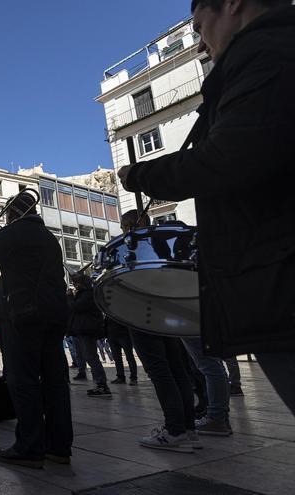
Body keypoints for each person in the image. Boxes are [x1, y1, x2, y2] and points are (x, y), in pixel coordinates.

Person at [118, 0, 295, 416]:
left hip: (279, 274)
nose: (200, 44)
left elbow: (226, 159)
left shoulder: (267, 52)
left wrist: (140, 175)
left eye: (199, 27)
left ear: (233, 4)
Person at [0, 193, 73, 469]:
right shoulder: (48, 237)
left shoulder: (13, 231)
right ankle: (59, 447)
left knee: (24, 380)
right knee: (56, 382)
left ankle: (30, 446)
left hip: (22, 314)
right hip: (55, 315)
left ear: (10, 213)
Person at [118, 210, 199, 452]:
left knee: (160, 371)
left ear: (130, 225)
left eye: (124, 227)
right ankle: (188, 428)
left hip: (142, 311)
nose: (123, 231)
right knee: (177, 369)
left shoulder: (135, 245)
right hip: (166, 311)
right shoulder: (162, 243)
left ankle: (174, 430)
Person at [69, 275, 112, 398]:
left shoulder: (87, 294)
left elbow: (75, 307)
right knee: (90, 357)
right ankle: (99, 384)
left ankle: (102, 385)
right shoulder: (87, 294)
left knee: (91, 357)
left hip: (87, 330)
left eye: (76, 283)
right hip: (85, 330)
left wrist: (70, 297)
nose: (74, 285)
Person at [180, 335, 233, 436]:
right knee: (214, 364)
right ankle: (221, 417)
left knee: (209, 365)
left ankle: (216, 418)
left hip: (192, 323)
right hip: (203, 323)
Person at [105, 318, 139, 386]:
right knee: (117, 357)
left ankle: (133, 378)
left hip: (124, 334)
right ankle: (120, 377)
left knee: (129, 356)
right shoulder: (108, 309)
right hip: (112, 334)